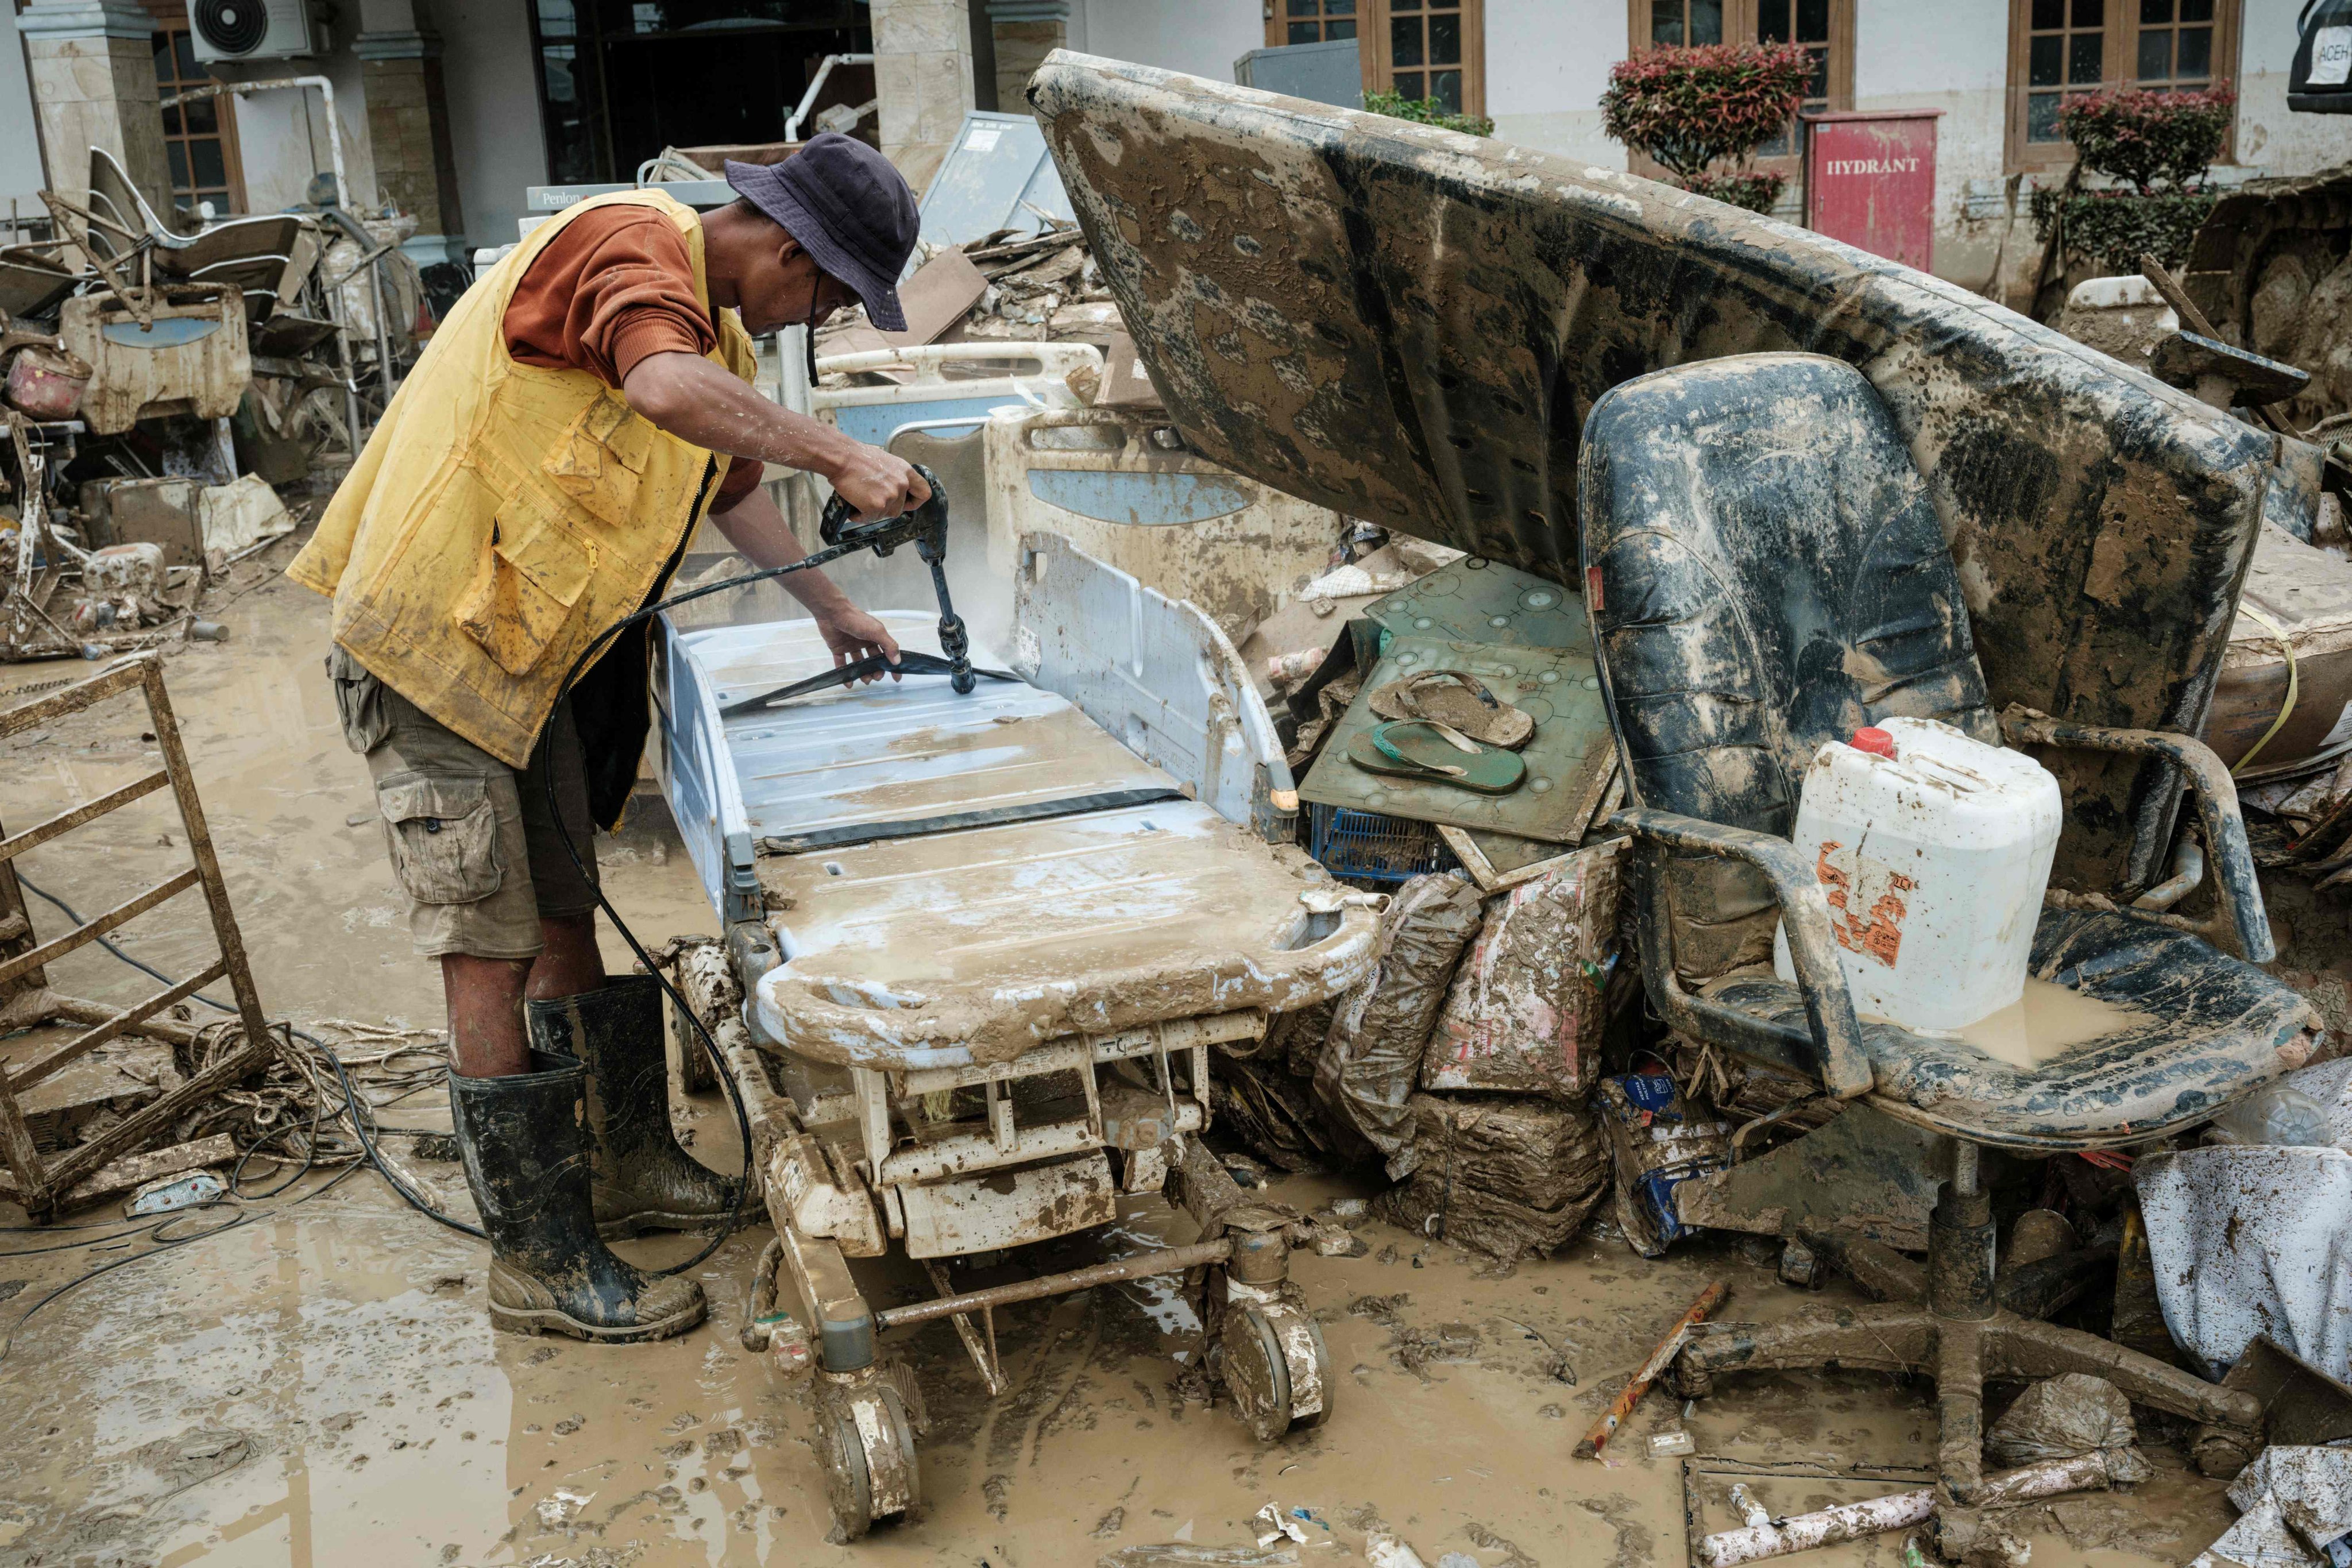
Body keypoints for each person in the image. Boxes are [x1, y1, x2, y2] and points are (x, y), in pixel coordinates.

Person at [287, 134, 929, 1343]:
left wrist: (833, 608)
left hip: (532, 665)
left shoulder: (718, 339)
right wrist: (843, 453)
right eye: (831, 295)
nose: (819, 318)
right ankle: (534, 1257)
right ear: (789, 248)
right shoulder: (627, 241)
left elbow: (727, 485)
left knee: (564, 911)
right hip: (433, 653)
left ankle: (626, 1166)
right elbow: (659, 390)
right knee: (484, 941)